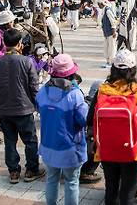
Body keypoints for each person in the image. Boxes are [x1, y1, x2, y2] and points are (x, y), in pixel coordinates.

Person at [87, 50, 137, 205]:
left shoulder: (102, 91)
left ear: (113, 69)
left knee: (111, 190)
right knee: (127, 193)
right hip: (133, 150)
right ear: (133, 70)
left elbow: (89, 120)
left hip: (106, 149)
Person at [0, 28, 44, 184]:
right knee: (30, 140)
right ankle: (31, 170)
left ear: (4, 44)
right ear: (20, 44)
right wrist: (38, 105)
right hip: (24, 108)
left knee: (10, 140)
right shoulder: (26, 61)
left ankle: (13, 172)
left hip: (4, 108)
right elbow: (34, 87)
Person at [36, 54, 89, 205]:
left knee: (51, 179)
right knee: (71, 182)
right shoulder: (75, 95)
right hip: (69, 148)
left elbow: (40, 110)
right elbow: (83, 120)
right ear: (71, 74)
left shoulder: (42, 92)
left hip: (48, 145)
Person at [98, 0, 117, 68]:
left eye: (99, 3)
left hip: (111, 32)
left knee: (112, 48)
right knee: (106, 47)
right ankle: (108, 61)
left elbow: (113, 22)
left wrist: (114, 32)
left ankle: (112, 62)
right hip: (106, 33)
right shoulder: (103, 10)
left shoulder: (108, 11)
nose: (98, 5)